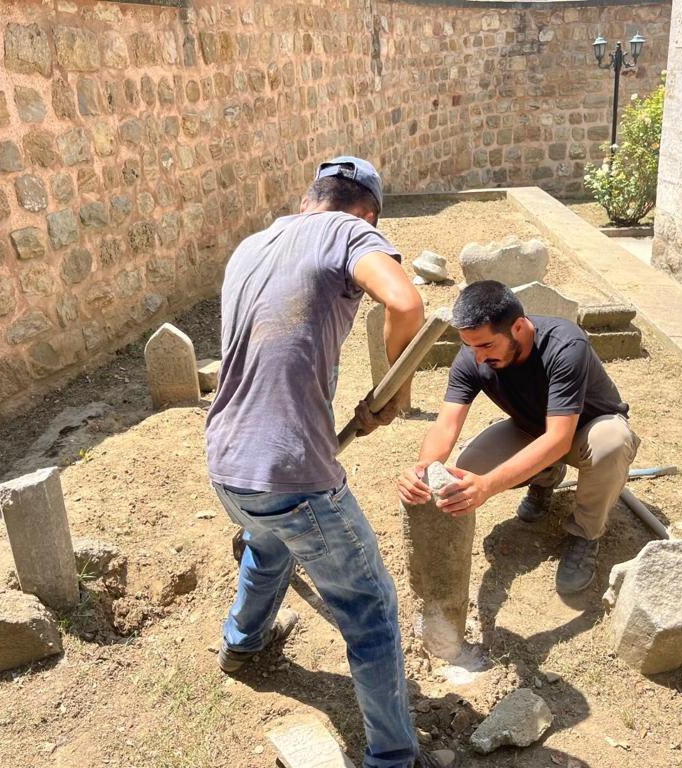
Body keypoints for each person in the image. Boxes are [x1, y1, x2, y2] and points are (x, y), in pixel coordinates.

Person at [205, 157, 451, 768]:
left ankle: (242, 642)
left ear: (308, 198)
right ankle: (393, 757)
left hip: (227, 461)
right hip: (292, 475)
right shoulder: (348, 231)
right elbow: (406, 302)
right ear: (368, 214)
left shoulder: (253, 245)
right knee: (369, 608)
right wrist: (395, 391)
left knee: (269, 541)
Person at [396, 280, 639, 595]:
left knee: (612, 442)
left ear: (520, 328)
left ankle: (585, 534)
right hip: (534, 428)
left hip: (588, 432)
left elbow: (559, 439)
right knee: (469, 468)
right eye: (471, 346)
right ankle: (545, 479)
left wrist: (488, 486)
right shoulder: (473, 355)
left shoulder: (565, 345)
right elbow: (445, 426)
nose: (478, 357)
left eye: (486, 346)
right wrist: (423, 469)